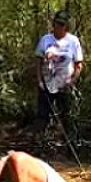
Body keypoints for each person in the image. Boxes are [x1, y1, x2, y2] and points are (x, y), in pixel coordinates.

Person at [34, 10, 84, 140]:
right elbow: (38, 62)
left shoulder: (73, 41)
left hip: (64, 86)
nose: (59, 27)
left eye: (62, 24)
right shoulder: (45, 40)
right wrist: (40, 81)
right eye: (57, 23)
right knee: (42, 116)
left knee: (67, 117)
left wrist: (71, 81)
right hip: (46, 85)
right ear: (53, 23)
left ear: (66, 26)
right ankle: (39, 145)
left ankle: (71, 146)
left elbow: (79, 65)